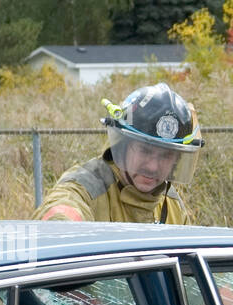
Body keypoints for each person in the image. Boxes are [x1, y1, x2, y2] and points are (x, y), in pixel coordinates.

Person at [34, 82, 204, 224]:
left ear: (176, 160)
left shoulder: (171, 203)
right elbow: (61, 211)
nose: (153, 166)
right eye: (144, 150)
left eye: (166, 155)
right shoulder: (86, 188)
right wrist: (63, 225)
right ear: (123, 146)